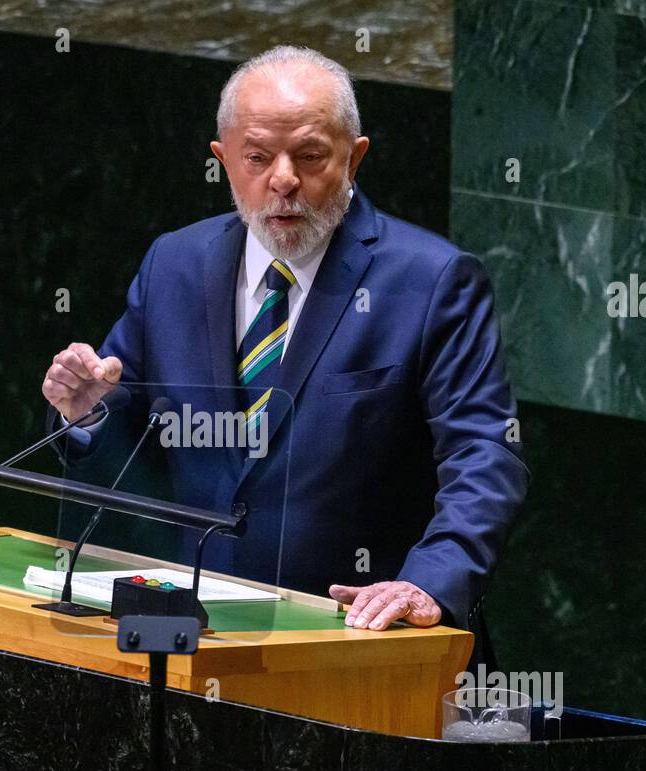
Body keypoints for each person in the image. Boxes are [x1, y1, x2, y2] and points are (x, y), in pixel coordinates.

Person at [42, 45, 527, 644]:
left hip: (353, 643)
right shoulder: (175, 264)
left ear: (354, 159)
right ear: (223, 160)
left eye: (310, 155)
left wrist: (429, 581)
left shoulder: (431, 281)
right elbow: (124, 417)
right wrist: (87, 410)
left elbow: (486, 455)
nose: (283, 180)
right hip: (195, 638)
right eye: (257, 157)